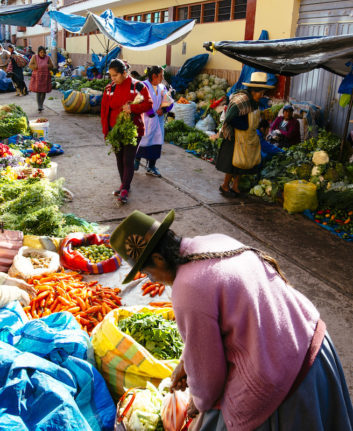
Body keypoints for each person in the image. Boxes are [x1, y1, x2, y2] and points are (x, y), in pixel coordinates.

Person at [110, 209, 353, 431]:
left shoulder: (187, 289)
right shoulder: (213, 242)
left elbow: (209, 380)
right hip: (313, 344)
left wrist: (197, 400)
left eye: (149, 273)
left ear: (159, 259)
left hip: (286, 377)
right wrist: (186, 362)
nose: (153, 280)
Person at [101, 59, 152, 204]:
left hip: (133, 130)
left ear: (124, 73)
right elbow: (104, 110)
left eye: (115, 75)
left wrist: (132, 108)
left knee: (128, 160)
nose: (113, 79)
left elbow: (148, 104)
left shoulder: (137, 86)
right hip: (115, 130)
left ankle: (125, 188)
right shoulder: (109, 89)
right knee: (119, 159)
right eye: (111, 76)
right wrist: (106, 131)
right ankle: (124, 185)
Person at [216, 72, 274, 197]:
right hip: (234, 137)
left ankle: (235, 186)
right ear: (253, 91)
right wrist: (245, 126)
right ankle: (225, 186)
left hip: (247, 138)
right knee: (233, 164)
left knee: (243, 164)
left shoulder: (254, 102)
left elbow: (251, 116)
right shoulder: (241, 100)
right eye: (260, 92)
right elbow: (230, 118)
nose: (262, 95)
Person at [134, 65, 174, 177]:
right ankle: (135, 160)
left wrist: (164, 109)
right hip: (145, 121)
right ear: (154, 76)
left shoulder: (162, 87)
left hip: (158, 122)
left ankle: (151, 167)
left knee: (156, 144)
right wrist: (151, 113)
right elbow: (139, 102)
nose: (162, 78)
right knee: (142, 142)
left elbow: (169, 102)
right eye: (161, 76)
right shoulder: (143, 86)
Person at [28, 46, 54, 112]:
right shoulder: (34, 57)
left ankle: (41, 104)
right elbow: (30, 65)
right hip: (37, 76)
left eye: (43, 52)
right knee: (38, 91)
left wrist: (47, 65)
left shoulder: (47, 57)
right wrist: (36, 66)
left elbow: (52, 66)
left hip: (45, 76)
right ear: (38, 52)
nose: (42, 54)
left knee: (43, 91)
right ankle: (39, 106)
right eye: (41, 52)